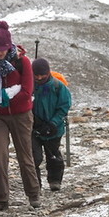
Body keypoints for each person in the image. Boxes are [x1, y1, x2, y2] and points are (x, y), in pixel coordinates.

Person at [0, 20, 41, 211]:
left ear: (9, 46)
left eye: (2, 48)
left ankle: (33, 195)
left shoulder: (23, 62)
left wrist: (7, 97)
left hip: (22, 115)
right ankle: (1, 200)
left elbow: (27, 90)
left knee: (25, 156)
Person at [30, 57, 72, 191]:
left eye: (42, 74)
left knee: (53, 155)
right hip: (33, 128)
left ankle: (55, 181)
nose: (39, 77)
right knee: (34, 157)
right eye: (36, 75)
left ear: (48, 72)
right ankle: (35, 186)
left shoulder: (58, 86)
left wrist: (53, 123)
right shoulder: (29, 86)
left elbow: (64, 106)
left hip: (54, 128)